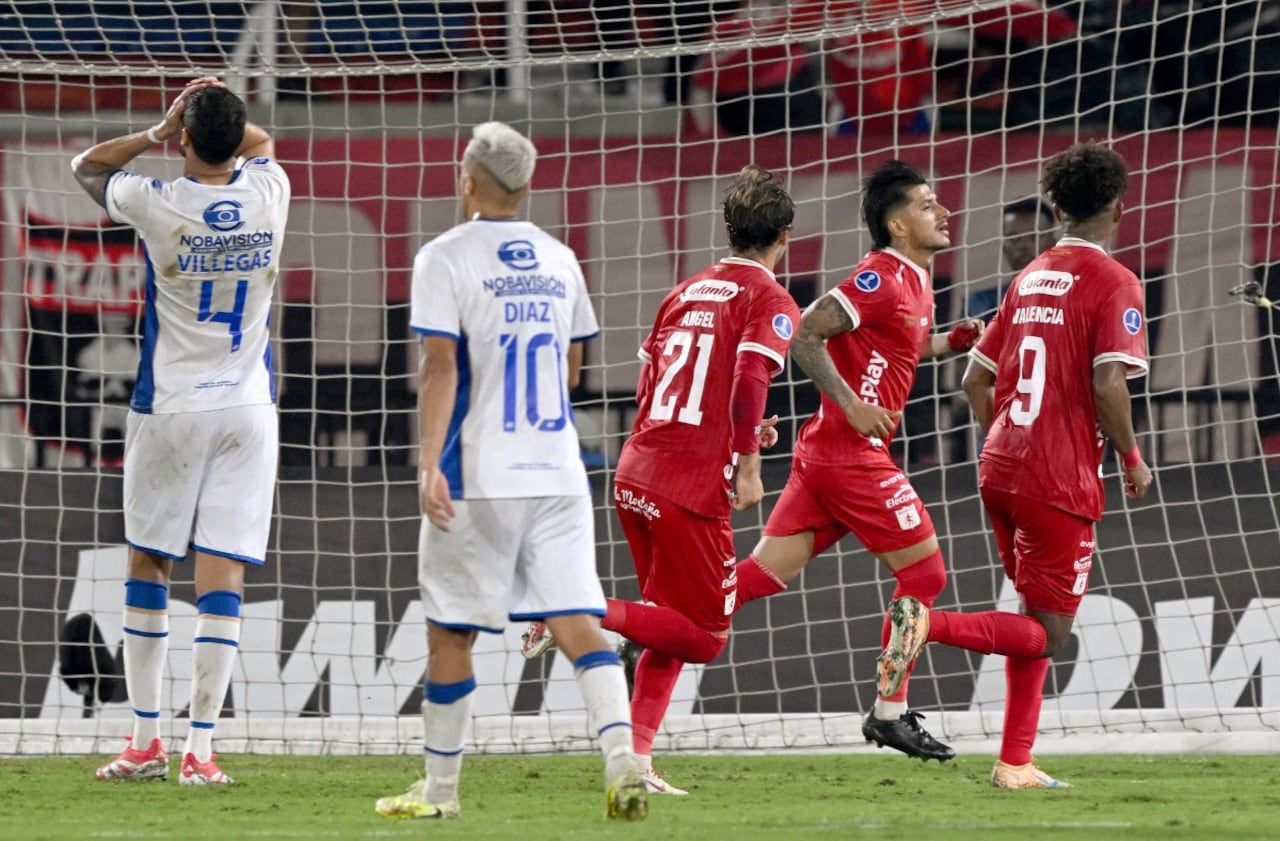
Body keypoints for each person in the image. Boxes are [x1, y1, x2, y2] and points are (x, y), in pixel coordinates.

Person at [374, 122, 647, 822]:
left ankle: (439, 793)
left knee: (449, 631)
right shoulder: (559, 259)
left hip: (481, 473)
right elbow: (576, 368)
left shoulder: (444, 257)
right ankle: (623, 763)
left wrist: (430, 460)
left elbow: (440, 365)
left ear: (468, 179)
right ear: (526, 186)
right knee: (579, 621)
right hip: (557, 471)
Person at [524, 164, 801, 795]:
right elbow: (752, 378)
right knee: (705, 636)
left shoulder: (689, 289)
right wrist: (748, 464)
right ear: (783, 236)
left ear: (729, 230)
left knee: (668, 623)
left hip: (638, 469)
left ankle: (637, 759)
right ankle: (575, 608)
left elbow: (660, 386)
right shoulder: (770, 298)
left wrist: (734, 433)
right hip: (689, 486)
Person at [728, 160, 985, 762]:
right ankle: (888, 715)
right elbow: (804, 334)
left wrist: (950, 342)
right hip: (850, 455)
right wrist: (851, 402)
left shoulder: (916, 280)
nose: (943, 211)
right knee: (925, 577)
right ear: (897, 225)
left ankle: (634, 626)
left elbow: (899, 344)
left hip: (827, 456)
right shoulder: (881, 276)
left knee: (760, 576)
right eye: (927, 205)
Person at [72, 77, 290, 785]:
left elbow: (87, 168)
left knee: (150, 563)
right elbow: (256, 142)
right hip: (249, 409)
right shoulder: (269, 191)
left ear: (187, 140)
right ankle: (201, 750)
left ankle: (145, 741)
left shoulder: (157, 201)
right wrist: (214, 111)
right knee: (221, 570)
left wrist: (158, 132)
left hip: (170, 406)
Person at [919, 141, 1152, 789]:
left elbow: (972, 378)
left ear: (1054, 206)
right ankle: (923, 623)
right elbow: (1110, 383)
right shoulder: (1115, 281)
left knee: (1029, 615)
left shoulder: (1030, 276)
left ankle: (1014, 761)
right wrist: (1132, 456)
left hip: (1000, 464)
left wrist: (1008, 439)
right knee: (1046, 633)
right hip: (1058, 478)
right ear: (1118, 206)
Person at [968, 196, 1057, 320]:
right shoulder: (982, 303)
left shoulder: (1073, 298)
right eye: (1014, 238)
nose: (1023, 245)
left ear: (1053, 243)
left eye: (1034, 237)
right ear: (1004, 247)